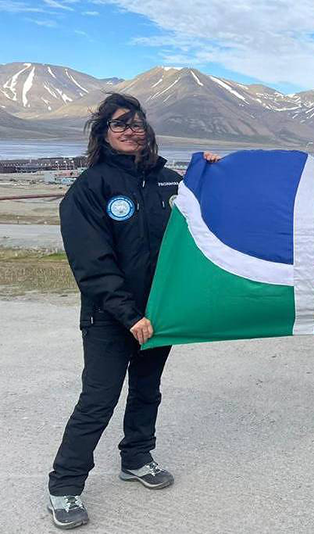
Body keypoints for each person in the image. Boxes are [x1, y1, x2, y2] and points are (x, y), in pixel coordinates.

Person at [47, 93, 220, 529]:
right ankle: (64, 488)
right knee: (98, 399)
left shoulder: (168, 180)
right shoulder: (91, 187)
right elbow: (92, 263)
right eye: (120, 124)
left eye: (137, 122)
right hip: (110, 317)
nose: (130, 130)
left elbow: (208, 211)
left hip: (159, 311)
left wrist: (215, 172)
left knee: (147, 390)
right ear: (104, 134)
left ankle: (137, 458)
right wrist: (128, 314)